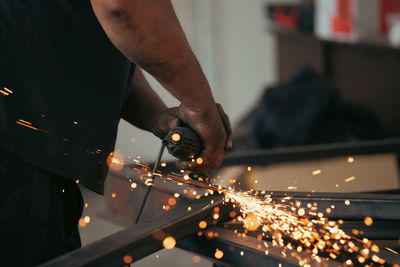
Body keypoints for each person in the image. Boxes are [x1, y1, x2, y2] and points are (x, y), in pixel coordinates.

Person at [0, 0, 232, 265]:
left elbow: (101, 31)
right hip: (15, 150)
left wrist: (155, 115)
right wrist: (201, 108)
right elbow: (123, 7)